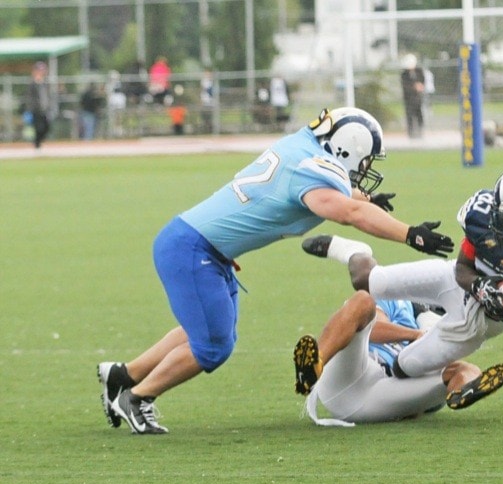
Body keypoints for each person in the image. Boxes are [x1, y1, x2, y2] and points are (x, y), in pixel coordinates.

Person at [97, 107, 454, 434]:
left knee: (208, 331)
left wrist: (364, 198)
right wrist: (411, 234)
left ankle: (124, 375)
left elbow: (336, 195)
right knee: (213, 348)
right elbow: (348, 212)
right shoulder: (314, 173)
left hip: (199, 246)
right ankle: (137, 398)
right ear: (347, 149)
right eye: (364, 160)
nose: (364, 170)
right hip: (194, 250)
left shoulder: (301, 146)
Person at [299, 165, 503, 382]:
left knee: (406, 367)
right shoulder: (481, 215)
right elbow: (462, 268)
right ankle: (353, 249)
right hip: (458, 282)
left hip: (480, 321)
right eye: (501, 214)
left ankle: (429, 338)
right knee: (365, 281)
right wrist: (481, 286)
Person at [293, 290, 503, 426]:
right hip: (357, 371)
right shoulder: (399, 303)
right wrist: (414, 335)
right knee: (362, 300)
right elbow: (375, 329)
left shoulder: (443, 326)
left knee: (464, 369)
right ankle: (314, 367)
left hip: (383, 393)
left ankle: (463, 391)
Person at [25, 61, 51, 149]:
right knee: (38, 128)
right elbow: (30, 97)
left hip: (44, 109)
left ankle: (38, 142)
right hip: (36, 110)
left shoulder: (45, 83)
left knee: (46, 127)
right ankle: (37, 145)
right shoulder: (32, 83)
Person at [400, 54, 425, 138]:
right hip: (409, 99)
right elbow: (405, 86)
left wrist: (420, 86)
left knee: (419, 114)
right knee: (410, 115)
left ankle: (420, 131)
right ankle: (411, 133)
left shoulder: (419, 71)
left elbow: (422, 80)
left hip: (418, 98)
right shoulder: (404, 74)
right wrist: (414, 87)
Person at [200, 69, 214, 134]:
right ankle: (206, 126)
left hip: (210, 101)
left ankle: (210, 126)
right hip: (205, 101)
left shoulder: (211, 82)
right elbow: (205, 90)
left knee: (211, 114)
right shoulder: (204, 82)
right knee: (205, 114)